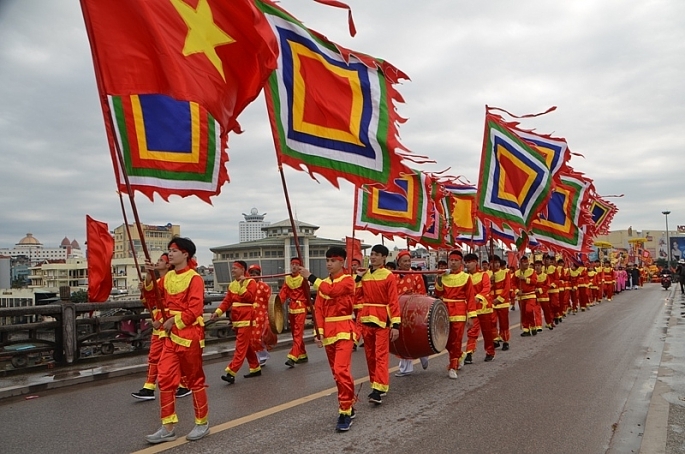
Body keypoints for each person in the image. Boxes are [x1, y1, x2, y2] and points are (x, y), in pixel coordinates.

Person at [143, 238, 209, 444]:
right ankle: (168, 426)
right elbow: (154, 297)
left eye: (174, 251)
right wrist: (148, 274)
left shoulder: (194, 278)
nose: (170, 254)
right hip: (170, 336)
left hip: (189, 336)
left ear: (186, 254)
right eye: (169, 250)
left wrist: (174, 320)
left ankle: (201, 422)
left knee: (195, 379)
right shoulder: (168, 276)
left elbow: (195, 309)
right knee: (165, 379)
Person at [300, 247, 356, 431]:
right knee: (337, 374)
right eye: (327, 260)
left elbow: (332, 291)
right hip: (329, 334)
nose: (329, 264)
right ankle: (348, 403)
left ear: (342, 262)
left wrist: (310, 277)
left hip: (345, 330)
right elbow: (319, 311)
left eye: (333, 260)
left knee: (341, 371)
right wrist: (318, 333)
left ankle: (345, 411)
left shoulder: (348, 281)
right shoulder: (323, 283)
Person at [133, 254, 192, 401]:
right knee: (155, 355)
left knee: (176, 355)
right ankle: (149, 386)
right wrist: (147, 276)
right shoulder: (159, 281)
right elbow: (149, 300)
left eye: (161, 261)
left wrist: (161, 319)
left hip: (170, 321)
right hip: (159, 322)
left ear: (168, 265)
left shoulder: (173, 281)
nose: (157, 262)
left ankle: (183, 385)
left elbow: (172, 304)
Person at [355, 244, 400, 404]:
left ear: (384, 258)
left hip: (382, 320)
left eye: (377, 255)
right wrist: (358, 278)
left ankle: (378, 390)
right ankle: (375, 383)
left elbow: (393, 301)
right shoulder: (364, 275)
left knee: (381, 355)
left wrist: (395, 325)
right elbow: (355, 295)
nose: (373, 257)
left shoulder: (389, 276)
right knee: (370, 356)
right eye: (372, 254)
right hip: (366, 319)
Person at [213, 261, 261, 384]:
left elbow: (250, 298)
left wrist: (241, 285)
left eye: (235, 268)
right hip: (236, 318)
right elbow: (227, 301)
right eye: (232, 268)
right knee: (246, 345)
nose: (232, 270)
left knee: (240, 346)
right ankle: (255, 367)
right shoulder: (232, 284)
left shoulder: (251, 282)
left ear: (242, 269)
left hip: (246, 317)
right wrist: (218, 312)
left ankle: (231, 372)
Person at [434, 250, 476, 379]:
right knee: (444, 340)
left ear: (461, 262)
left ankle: (453, 366)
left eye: (456, 260)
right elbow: (438, 293)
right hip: (445, 311)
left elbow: (470, 297)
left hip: (459, 311)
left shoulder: (466, 277)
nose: (453, 262)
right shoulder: (444, 275)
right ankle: (460, 355)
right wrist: (439, 278)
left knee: (456, 341)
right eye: (451, 260)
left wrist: (471, 316)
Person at [394, 250, 429, 377]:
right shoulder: (394, 276)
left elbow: (422, 294)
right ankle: (406, 368)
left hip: (413, 311)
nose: (407, 263)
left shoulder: (417, 275)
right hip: (398, 311)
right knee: (402, 339)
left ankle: (423, 354)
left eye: (409, 261)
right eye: (404, 261)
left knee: (415, 336)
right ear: (398, 262)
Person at [463, 253, 495, 362]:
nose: (467, 265)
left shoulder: (484, 275)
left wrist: (478, 297)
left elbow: (487, 288)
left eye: (469, 262)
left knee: (487, 332)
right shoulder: (465, 277)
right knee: (472, 331)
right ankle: (469, 353)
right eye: (466, 263)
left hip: (484, 307)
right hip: (472, 309)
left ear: (476, 262)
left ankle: (490, 351)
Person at [279, 258, 310, 367]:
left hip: (301, 308)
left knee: (298, 333)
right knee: (294, 334)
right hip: (291, 308)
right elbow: (283, 294)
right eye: (292, 264)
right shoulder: (287, 279)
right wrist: (276, 306)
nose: (294, 266)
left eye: (296, 264)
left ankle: (293, 356)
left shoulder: (303, 279)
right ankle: (302, 355)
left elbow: (307, 294)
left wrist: (311, 306)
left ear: (300, 267)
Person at [247, 265, 273, 366]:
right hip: (250, 316)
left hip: (261, 316)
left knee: (257, 337)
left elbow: (270, 301)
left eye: (256, 274)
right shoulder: (246, 286)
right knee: (251, 338)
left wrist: (270, 316)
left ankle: (262, 356)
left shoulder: (264, 286)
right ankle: (258, 356)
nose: (253, 276)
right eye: (251, 274)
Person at [513, 256, 537, 336]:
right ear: (520, 263)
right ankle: (526, 329)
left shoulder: (532, 271)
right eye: (524, 262)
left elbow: (534, 282)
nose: (526, 264)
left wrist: (525, 279)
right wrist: (517, 291)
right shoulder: (516, 273)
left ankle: (533, 325)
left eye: (527, 262)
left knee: (529, 310)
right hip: (521, 296)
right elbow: (513, 284)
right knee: (523, 313)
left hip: (530, 295)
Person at [491, 256, 511, 351]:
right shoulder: (487, 274)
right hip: (491, 302)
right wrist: (491, 282)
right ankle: (495, 339)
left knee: (504, 323)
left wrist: (499, 299)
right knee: (492, 322)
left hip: (502, 302)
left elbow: (506, 288)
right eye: (493, 263)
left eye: (497, 262)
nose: (496, 264)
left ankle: (505, 340)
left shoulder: (505, 273)